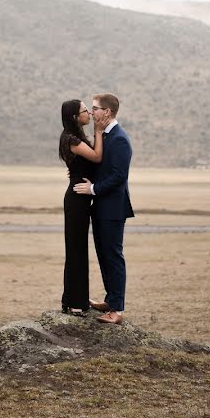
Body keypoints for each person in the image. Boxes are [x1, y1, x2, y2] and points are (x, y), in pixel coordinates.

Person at [73, 93, 134, 325]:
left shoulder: (119, 139)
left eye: (95, 108)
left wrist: (92, 190)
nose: (91, 112)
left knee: (113, 257)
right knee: (104, 255)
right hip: (101, 207)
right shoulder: (105, 136)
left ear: (107, 112)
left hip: (112, 209)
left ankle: (117, 310)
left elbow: (119, 177)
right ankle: (110, 300)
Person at [58, 99, 107, 316]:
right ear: (75, 117)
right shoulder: (71, 138)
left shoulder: (75, 137)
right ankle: (75, 303)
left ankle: (73, 300)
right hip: (77, 197)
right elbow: (97, 157)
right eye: (85, 110)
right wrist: (98, 130)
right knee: (76, 249)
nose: (89, 113)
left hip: (80, 196)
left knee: (77, 249)